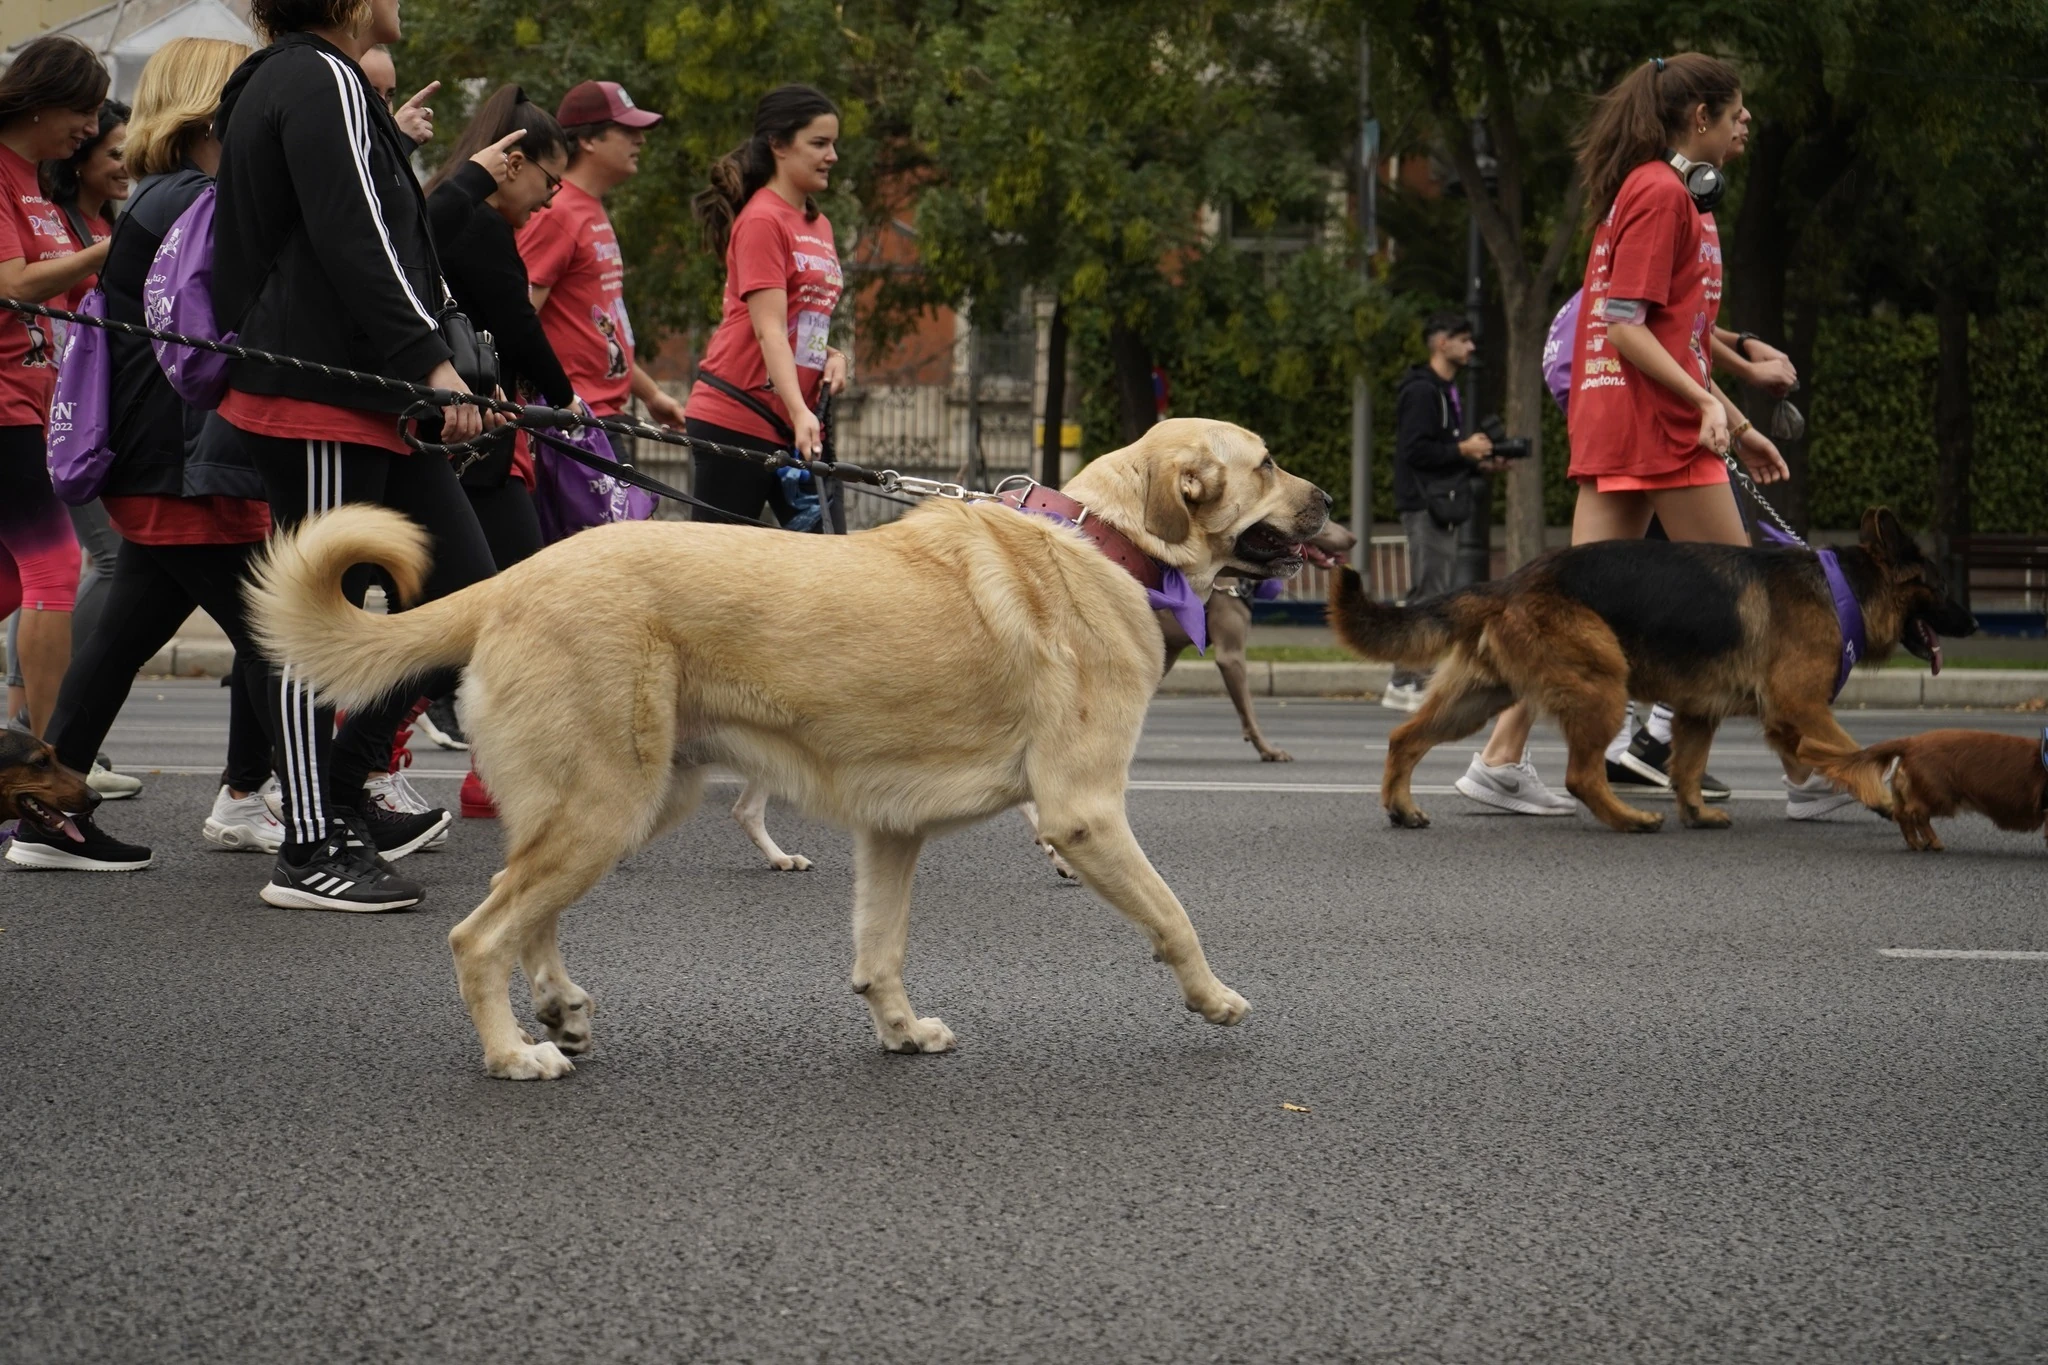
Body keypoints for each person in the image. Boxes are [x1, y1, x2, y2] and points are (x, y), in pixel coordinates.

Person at [1455, 53, 1852, 822]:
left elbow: (1680, 318)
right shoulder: (1661, 193)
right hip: (1653, 425)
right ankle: (1812, 774)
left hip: (1638, 419)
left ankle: (1499, 760)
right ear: (1698, 117)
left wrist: (1736, 392)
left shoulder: (1664, 193)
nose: (1746, 127)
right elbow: (1626, 325)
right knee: (1755, 599)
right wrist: (1709, 407)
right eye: (1736, 114)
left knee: (1562, 605)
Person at [211, 0, 506, 911]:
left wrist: (440, 369)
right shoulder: (320, 74)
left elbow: (381, 238)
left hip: (361, 390)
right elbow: (354, 236)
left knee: (463, 596)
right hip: (322, 396)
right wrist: (429, 363)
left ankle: (340, 792)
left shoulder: (306, 77)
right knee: (316, 616)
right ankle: (306, 845)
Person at [4, 38, 294, 870]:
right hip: (176, 461)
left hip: (167, 458)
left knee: (117, 642)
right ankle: (321, 821)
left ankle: (43, 820)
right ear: (214, 104)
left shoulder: (165, 196)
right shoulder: (189, 199)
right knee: (282, 642)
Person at [419, 84, 572, 818]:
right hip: (477, 445)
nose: (550, 199)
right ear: (512, 164)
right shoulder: (476, 226)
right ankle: (487, 775)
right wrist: (566, 396)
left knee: (459, 606)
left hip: (470, 439)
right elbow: (515, 323)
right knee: (512, 606)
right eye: (548, 180)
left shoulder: (454, 214)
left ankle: (382, 761)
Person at [0, 37, 111, 745]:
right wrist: (114, 249)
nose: (93, 131)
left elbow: (73, 288)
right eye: (85, 112)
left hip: (36, 403)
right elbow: (10, 285)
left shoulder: (35, 182)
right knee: (55, 564)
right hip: (2, 401)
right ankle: (48, 771)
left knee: (12, 584)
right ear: (44, 102)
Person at [683, 84, 849, 523]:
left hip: (799, 423)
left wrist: (833, 356)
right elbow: (767, 328)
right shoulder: (761, 219)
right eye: (818, 144)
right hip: (739, 417)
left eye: (834, 143)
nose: (832, 155)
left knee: (830, 571)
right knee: (716, 576)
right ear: (777, 144)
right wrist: (799, 411)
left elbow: (800, 321)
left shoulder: (821, 224)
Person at [518, 79, 684, 481]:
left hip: (606, 413)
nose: (640, 141)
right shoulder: (557, 212)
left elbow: (597, 322)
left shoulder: (589, 208)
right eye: (627, 130)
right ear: (589, 140)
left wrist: (651, 394)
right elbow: (518, 319)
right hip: (574, 419)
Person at [1381, 314, 1501, 714]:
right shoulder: (1421, 392)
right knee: (1427, 593)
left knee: (1431, 590)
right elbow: (1415, 451)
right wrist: (1462, 451)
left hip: (1439, 500)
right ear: (1440, 344)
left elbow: (1439, 451)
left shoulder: (1446, 390)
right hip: (1423, 503)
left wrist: (1474, 461)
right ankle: (1404, 680)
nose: (1470, 348)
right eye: (1462, 340)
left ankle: (1410, 677)